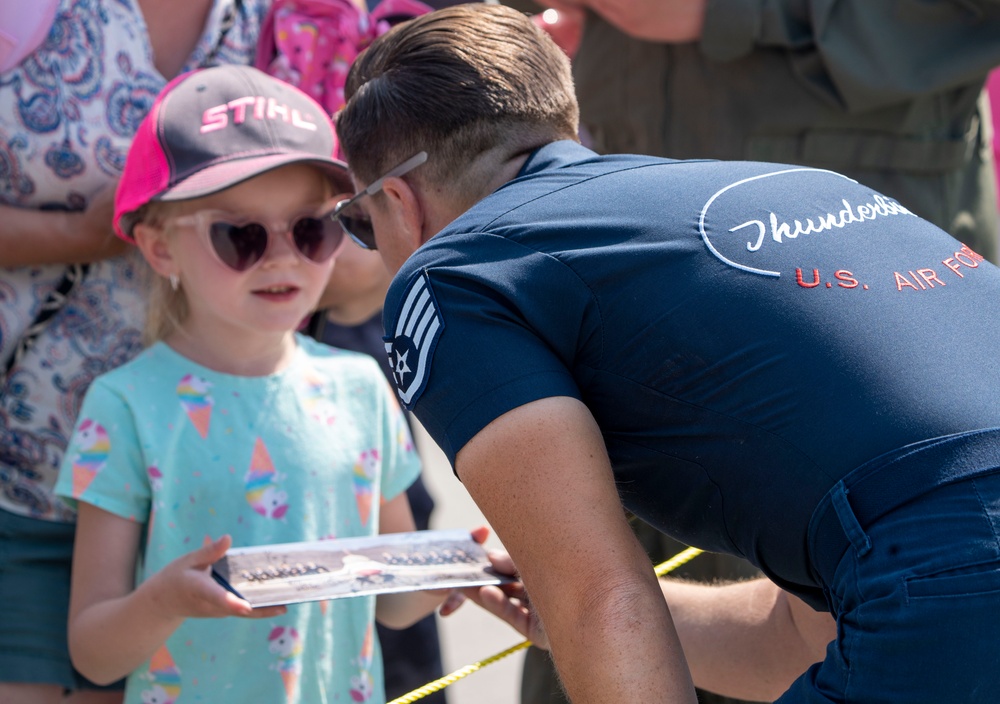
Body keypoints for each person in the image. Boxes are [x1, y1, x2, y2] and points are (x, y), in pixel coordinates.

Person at [332, 4, 1000, 702]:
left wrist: (580, 602)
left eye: (360, 222)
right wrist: (566, 609)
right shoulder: (790, 186)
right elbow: (802, 637)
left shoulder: (452, 269)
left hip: (946, 568)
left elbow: (600, 602)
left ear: (400, 203)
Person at [51, 64, 479, 704]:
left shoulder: (361, 386)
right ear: (160, 248)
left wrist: (449, 574)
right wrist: (164, 601)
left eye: (312, 228)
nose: (283, 257)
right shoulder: (125, 405)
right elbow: (94, 650)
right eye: (241, 235)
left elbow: (388, 608)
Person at [0, 1, 269, 702]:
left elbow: (366, 228)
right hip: (21, 475)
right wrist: (83, 235)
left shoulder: (294, 17)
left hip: (202, 490)